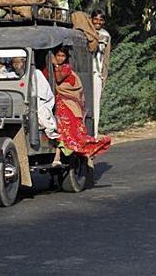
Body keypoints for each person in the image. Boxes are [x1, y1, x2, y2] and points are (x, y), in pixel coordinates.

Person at [45, 46, 111, 186]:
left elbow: (57, 80)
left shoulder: (65, 68)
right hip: (52, 101)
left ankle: (65, 155)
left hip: (67, 103)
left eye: (63, 56)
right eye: (58, 56)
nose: (60, 58)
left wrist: (55, 65)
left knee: (65, 125)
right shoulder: (46, 70)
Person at [91, 9, 111, 138]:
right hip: (84, 73)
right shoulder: (85, 32)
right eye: (96, 19)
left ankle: (94, 133)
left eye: (101, 20)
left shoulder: (105, 36)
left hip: (96, 73)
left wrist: (104, 76)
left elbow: (106, 58)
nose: (98, 22)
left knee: (95, 105)